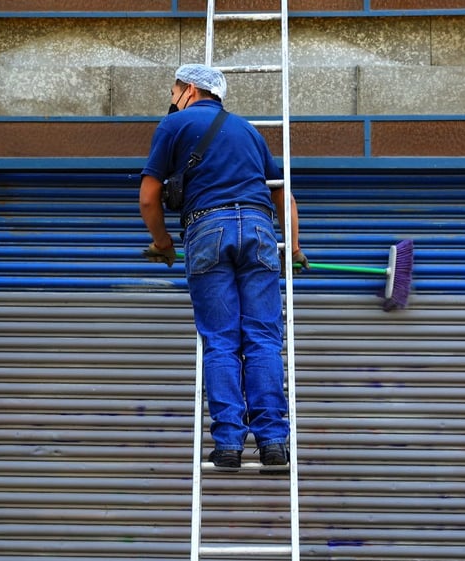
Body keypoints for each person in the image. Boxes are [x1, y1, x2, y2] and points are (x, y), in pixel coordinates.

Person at [139, 63, 308, 469]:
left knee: (221, 342)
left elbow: (148, 197)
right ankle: (272, 441)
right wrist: (295, 247)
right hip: (258, 228)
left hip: (207, 228)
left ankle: (229, 444)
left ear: (191, 90)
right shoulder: (249, 130)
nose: (173, 96)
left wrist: (164, 244)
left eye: (176, 89)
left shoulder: (174, 126)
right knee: (264, 340)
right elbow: (283, 194)